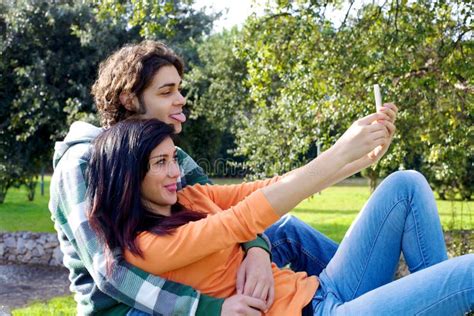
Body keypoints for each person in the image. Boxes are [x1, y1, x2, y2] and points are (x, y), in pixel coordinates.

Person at [49, 40, 339, 315]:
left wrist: (257, 250)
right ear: (129, 99)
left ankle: (355, 290)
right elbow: (111, 273)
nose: (180, 100)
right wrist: (208, 310)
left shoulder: (173, 154)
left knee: (286, 230)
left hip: (186, 270)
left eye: (179, 89)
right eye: (166, 92)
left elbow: (222, 212)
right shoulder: (81, 164)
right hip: (130, 307)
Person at [87, 118, 473, 315]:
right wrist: (338, 152)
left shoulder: (190, 196)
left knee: (405, 184)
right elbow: (244, 218)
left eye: (174, 159)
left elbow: (263, 189)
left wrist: (356, 159)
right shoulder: (149, 246)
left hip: (324, 289)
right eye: (160, 163)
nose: (175, 172)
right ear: (128, 176)